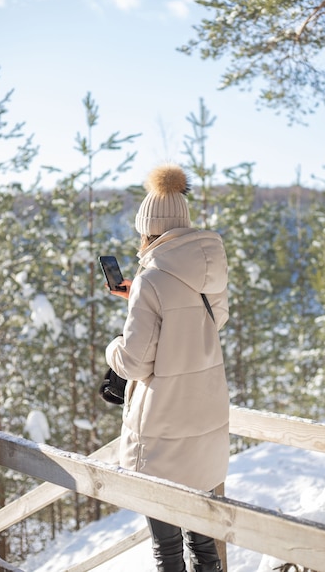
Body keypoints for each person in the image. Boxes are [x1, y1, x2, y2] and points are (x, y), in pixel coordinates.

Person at [104, 163, 230, 572]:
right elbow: (201, 325)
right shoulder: (208, 270)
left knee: (167, 550)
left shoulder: (150, 280)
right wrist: (139, 305)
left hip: (164, 431)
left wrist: (112, 347)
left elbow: (134, 363)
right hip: (205, 422)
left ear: (148, 230)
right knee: (204, 545)